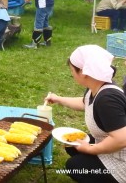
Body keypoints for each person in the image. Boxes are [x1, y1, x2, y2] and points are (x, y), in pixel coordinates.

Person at [45, 45, 126, 183]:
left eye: (72, 70)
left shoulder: (107, 99)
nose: (72, 74)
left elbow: (122, 139)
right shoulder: (96, 87)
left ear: (84, 72)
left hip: (121, 159)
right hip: (113, 145)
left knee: (74, 166)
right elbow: (85, 103)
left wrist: (90, 150)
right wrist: (58, 99)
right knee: (72, 143)